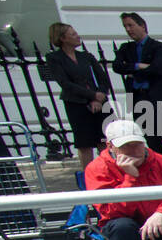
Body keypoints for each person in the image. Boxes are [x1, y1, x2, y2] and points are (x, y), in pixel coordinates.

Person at [111, 12, 162, 160]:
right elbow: (117, 66)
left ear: (142, 25)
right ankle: (159, 161)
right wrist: (139, 66)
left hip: (159, 96)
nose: (128, 29)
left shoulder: (158, 47)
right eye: (125, 26)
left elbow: (159, 69)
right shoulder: (126, 48)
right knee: (150, 135)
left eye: (131, 25)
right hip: (138, 97)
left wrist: (132, 71)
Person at [45, 23, 115, 169]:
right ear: (63, 38)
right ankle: (89, 176)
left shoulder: (87, 57)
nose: (77, 36)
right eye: (73, 34)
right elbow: (65, 83)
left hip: (100, 102)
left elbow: (102, 78)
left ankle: (110, 170)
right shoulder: (54, 58)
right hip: (76, 104)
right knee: (84, 143)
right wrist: (92, 96)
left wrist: (99, 96)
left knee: (104, 139)